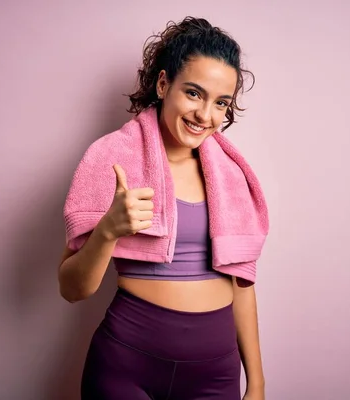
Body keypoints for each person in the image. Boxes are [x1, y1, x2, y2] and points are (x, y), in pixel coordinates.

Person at [59, 17, 267, 400]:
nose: (205, 115)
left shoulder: (231, 177)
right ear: (162, 84)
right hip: (126, 368)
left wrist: (257, 381)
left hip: (215, 377)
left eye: (220, 102)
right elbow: (72, 289)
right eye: (193, 93)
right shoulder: (112, 160)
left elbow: (242, 285)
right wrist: (107, 230)